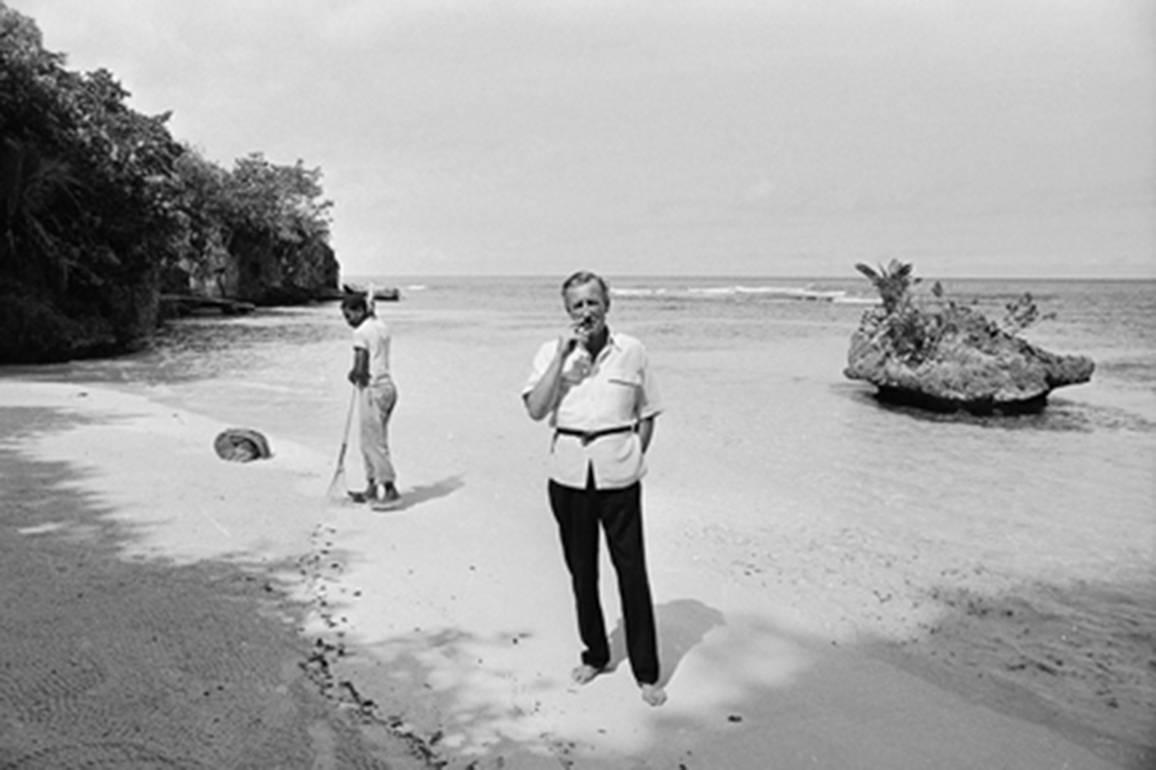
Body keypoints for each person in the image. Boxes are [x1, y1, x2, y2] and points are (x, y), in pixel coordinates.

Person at [521, 270, 667, 707]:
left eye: (592, 302)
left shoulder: (633, 352)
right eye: (577, 305)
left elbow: (649, 412)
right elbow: (534, 408)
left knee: (632, 573)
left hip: (618, 474)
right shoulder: (551, 352)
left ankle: (647, 672)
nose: (586, 311)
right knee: (582, 571)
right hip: (568, 474)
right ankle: (596, 654)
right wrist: (562, 360)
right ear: (567, 311)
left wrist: (634, 456)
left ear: (608, 303)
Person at [341, 292, 401, 509]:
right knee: (373, 440)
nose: (348, 321)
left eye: (349, 316)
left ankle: (390, 489)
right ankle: (371, 488)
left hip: (373, 390)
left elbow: (361, 367)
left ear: (359, 311)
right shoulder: (381, 326)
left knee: (372, 443)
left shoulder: (361, 332)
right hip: (389, 389)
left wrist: (353, 374)